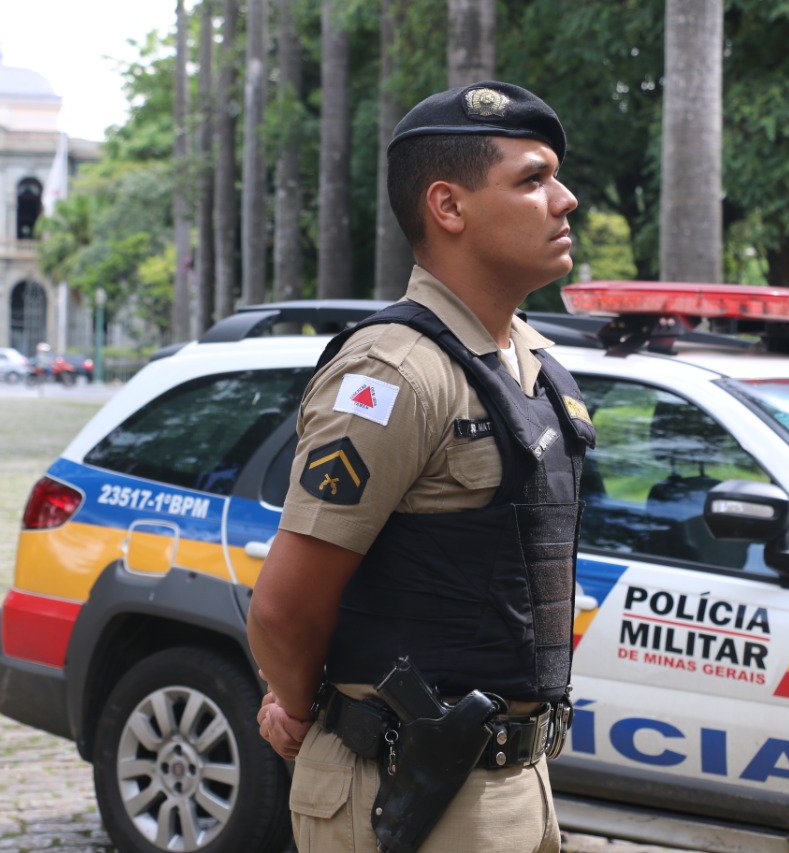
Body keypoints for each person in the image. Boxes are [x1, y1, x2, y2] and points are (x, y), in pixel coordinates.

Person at [247, 80, 595, 853]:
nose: (565, 200)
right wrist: (299, 707)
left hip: (518, 780)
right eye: (533, 180)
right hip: (403, 791)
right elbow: (284, 606)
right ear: (448, 206)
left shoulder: (532, 362)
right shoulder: (394, 374)